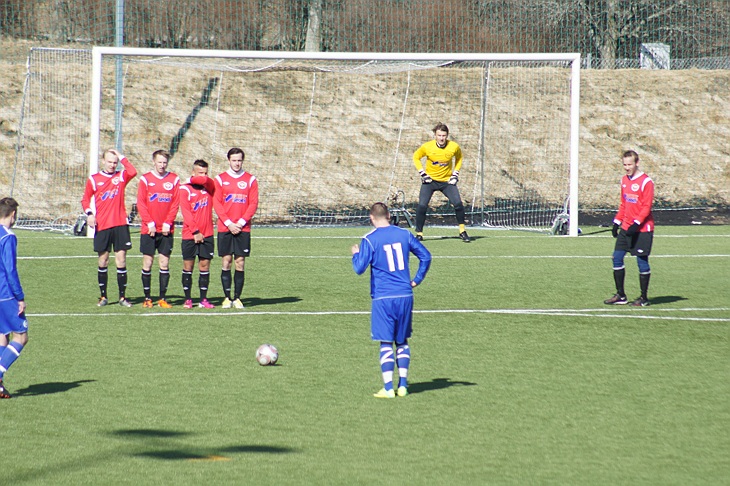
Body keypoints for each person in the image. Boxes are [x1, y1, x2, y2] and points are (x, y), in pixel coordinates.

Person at [351, 202, 432, 398]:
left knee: (386, 341)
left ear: (371, 218)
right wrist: (416, 280)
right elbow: (426, 257)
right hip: (405, 294)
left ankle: (388, 388)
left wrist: (356, 254)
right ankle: (403, 386)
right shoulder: (404, 234)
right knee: (402, 340)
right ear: (389, 215)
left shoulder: (369, 239)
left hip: (383, 297)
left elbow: (359, 268)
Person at [81, 148, 137, 307]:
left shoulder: (121, 176)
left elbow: (133, 171)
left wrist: (121, 156)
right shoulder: (94, 179)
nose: (112, 165)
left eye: (115, 162)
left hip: (120, 225)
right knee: (103, 260)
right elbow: (85, 200)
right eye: (109, 162)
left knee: (121, 260)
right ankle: (103, 296)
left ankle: (122, 297)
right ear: (103, 161)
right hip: (103, 225)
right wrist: (89, 214)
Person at [604, 150, 655, 307]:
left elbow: (646, 207)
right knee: (617, 257)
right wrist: (616, 222)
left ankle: (644, 298)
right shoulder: (624, 180)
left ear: (637, 163)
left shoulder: (646, 182)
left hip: (642, 229)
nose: (627, 168)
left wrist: (636, 223)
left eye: (629, 164)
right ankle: (621, 295)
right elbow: (624, 204)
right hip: (626, 228)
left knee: (641, 261)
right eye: (624, 165)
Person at [213, 147, 259, 309]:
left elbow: (253, 204)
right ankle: (227, 297)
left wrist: (240, 223)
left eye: (239, 160)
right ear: (229, 160)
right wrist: (229, 223)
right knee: (226, 261)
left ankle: (238, 298)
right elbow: (217, 203)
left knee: (240, 262)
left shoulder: (250, 180)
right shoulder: (220, 179)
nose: (237, 163)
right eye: (234, 160)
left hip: (242, 228)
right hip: (225, 227)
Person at [413, 122, 470, 242]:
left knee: (458, 204)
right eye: (439, 135)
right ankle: (419, 233)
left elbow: (459, 158)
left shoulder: (453, 146)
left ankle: (462, 231)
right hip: (430, 181)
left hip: (446, 182)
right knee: (422, 205)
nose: (441, 138)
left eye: (444, 135)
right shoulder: (427, 147)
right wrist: (423, 173)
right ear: (435, 135)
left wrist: (455, 174)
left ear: (447, 135)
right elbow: (416, 157)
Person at [136, 149, 180, 308]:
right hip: (149, 229)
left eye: (164, 162)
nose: (162, 165)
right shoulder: (145, 179)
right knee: (147, 262)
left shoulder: (174, 179)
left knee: (164, 263)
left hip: (166, 229)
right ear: (153, 162)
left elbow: (175, 203)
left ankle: (162, 298)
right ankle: (147, 298)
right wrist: (150, 223)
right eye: (159, 162)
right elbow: (141, 203)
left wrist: (168, 222)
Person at [0, 198, 28, 398]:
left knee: (2, 334)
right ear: (13, 214)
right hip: (5, 294)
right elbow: (10, 270)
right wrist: (20, 297)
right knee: (21, 336)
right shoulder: (8, 236)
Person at [180, 160, 217, 309]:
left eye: (206, 173)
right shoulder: (185, 189)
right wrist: (195, 231)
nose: (204, 176)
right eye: (200, 173)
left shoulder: (209, 187)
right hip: (190, 234)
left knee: (204, 266)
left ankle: (203, 299)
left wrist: (196, 179)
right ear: (193, 172)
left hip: (207, 234)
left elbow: (208, 181)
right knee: (188, 266)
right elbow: (186, 213)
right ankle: (188, 299)